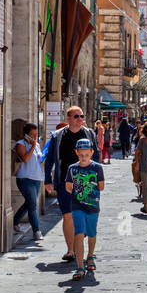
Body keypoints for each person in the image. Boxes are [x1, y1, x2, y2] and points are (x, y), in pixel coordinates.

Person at [43, 106, 95, 264]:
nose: (80, 119)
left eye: (81, 116)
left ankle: (81, 236)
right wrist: (47, 180)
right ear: (68, 119)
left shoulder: (88, 134)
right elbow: (50, 159)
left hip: (85, 181)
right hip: (64, 181)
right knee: (67, 215)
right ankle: (70, 250)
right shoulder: (57, 136)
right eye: (76, 116)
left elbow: (96, 155)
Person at [64, 138, 105, 282]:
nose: (83, 158)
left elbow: (101, 186)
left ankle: (90, 256)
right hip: (77, 206)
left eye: (86, 155)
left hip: (93, 206)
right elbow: (68, 186)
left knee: (92, 233)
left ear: (91, 153)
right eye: (81, 155)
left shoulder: (97, 168)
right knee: (79, 233)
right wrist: (80, 191)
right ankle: (80, 266)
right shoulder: (72, 168)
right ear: (77, 153)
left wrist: (87, 187)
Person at [12, 124, 45, 240]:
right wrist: (32, 147)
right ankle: (36, 231)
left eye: (36, 134)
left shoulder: (37, 146)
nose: (35, 137)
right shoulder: (20, 144)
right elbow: (25, 159)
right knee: (32, 205)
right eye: (32, 134)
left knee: (29, 203)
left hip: (37, 178)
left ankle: (15, 221)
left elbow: (39, 160)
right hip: (25, 178)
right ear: (26, 134)